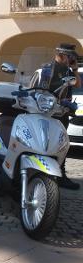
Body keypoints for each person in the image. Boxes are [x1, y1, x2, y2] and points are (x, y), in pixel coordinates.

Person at [38, 43, 81, 190]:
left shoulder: (68, 70)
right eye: (70, 57)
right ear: (62, 55)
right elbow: (41, 91)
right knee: (46, 143)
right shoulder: (48, 69)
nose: (71, 60)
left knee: (62, 145)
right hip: (49, 114)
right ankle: (43, 172)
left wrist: (75, 70)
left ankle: (60, 174)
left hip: (63, 113)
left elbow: (76, 84)